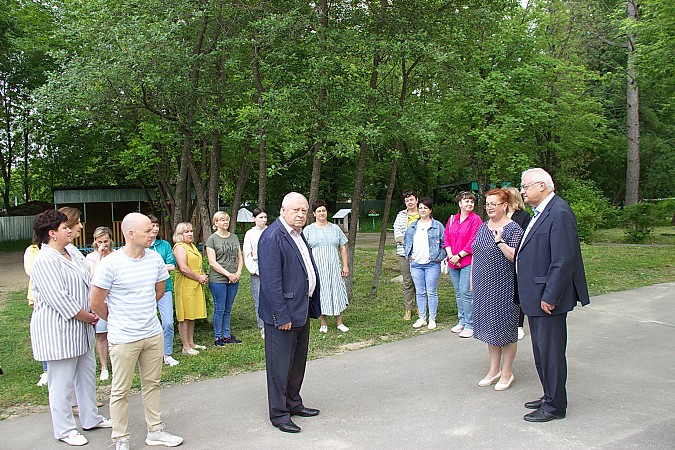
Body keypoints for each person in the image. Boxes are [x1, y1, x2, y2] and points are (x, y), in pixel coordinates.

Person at [90, 213, 183, 449]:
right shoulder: (110, 264)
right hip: (124, 338)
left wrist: (143, 310)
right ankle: (120, 438)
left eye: (153, 229)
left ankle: (155, 431)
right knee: (120, 390)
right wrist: (117, 319)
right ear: (130, 234)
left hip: (152, 333)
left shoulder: (154, 260)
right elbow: (96, 302)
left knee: (152, 384)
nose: (152, 233)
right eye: (146, 230)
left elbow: (159, 290)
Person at [30, 209, 111, 446]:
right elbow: (59, 299)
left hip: (83, 328)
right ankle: (65, 429)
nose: (71, 230)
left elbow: (88, 280)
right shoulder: (44, 261)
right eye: (65, 227)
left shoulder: (73, 252)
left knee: (86, 376)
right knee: (61, 383)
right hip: (59, 331)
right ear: (52, 233)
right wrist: (87, 316)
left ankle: (90, 417)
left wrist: (94, 309)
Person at [516, 168, 590, 423]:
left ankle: (555, 406)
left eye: (525, 186)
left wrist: (551, 295)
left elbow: (564, 258)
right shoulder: (541, 213)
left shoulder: (559, 212)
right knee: (541, 351)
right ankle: (550, 394)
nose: (522, 191)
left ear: (542, 186)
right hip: (535, 296)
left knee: (551, 353)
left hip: (547, 299)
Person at [258, 192, 321, 433]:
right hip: (282, 316)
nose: (300, 214)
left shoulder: (298, 234)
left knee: (297, 362)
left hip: (300, 310)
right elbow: (271, 282)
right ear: (283, 210)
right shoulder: (272, 236)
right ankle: (279, 414)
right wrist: (280, 316)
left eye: (304, 211)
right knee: (279, 366)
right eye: (295, 210)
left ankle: (293, 402)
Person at [471, 188, 523, 391]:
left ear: (505, 205)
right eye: (488, 204)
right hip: (484, 287)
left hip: (505, 288)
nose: (490, 207)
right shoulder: (483, 227)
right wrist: (473, 282)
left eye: (494, 203)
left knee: (506, 331)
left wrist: (500, 240)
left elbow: (516, 257)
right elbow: (476, 254)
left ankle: (507, 372)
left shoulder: (513, 229)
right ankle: (494, 370)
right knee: (490, 330)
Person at [303, 200, 350, 333]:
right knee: (320, 293)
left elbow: (342, 248)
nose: (322, 213)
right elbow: (304, 251)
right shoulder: (308, 230)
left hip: (334, 266)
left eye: (323, 210)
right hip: (317, 268)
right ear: (314, 213)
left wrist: (345, 266)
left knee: (337, 291)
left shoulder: (335, 229)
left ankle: (339, 322)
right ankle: (323, 323)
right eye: (319, 211)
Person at [403, 197, 446, 330]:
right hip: (416, 265)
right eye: (420, 207)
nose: (422, 210)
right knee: (420, 292)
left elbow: (445, 244)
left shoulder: (437, 225)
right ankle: (422, 318)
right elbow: (406, 242)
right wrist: (409, 255)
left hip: (432, 264)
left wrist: (439, 257)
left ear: (430, 210)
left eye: (425, 208)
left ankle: (432, 318)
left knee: (431, 291)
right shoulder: (413, 226)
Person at [443, 191, 482, 338]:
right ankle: (462, 320)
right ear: (460, 203)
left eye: (472, 202)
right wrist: (451, 255)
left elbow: (473, 241)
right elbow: (446, 238)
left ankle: (470, 324)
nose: (470, 204)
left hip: (467, 261)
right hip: (453, 261)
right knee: (458, 292)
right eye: (466, 201)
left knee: (465, 292)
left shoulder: (475, 220)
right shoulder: (453, 219)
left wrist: (459, 255)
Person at [206, 211, 244, 346]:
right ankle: (218, 337)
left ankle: (227, 335)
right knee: (220, 308)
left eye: (227, 220)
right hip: (218, 280)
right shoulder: (212, 239)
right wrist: (228, 275)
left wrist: (238, 273)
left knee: (228, 308)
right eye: (222, 220)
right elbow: (212, 262)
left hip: (234, 278)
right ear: (216, 223)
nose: (225, 222)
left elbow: (240, 256)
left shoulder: (233, 237)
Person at [148, 215, 179, 367]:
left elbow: (172, 265)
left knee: (168, 322)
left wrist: (153, 268)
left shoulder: (164, 245)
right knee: (149, 323)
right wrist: (160, 267)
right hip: (146, 290)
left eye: (156, 226)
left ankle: (167, 354)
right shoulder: (142, 245)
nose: (155, 229)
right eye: (151, 226)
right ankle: (151, 355)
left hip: (164, 288)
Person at [172, 222, 208, 355]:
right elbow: (183, 267)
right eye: (187, 232)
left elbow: (198, 263)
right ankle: (185, 347)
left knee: (192, 314)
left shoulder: (192, 246)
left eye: (191, 231)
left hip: (195, 283)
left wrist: (203, 275)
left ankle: (191, 342)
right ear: (180, 234)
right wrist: (198, 277)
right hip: (186, 284)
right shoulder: (179, 247)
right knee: (185, 315)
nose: (190, 234)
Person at [85, 226, 115, 381]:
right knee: (101, 334)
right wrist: (100, 258)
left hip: (114, 300)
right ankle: (104, 366)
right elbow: (91, 278)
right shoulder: (90, 258)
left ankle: (115, 363)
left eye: (106, 241)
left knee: (115, 334)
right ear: (95, 242)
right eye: (100, 241)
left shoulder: (116, 256)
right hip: (100, 301)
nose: (103, 244)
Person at [505, 186, 531, 340]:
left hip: (516, 257)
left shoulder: (523, 215)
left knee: (517, 292)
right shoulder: (501, 214)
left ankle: (519, 325)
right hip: (502, 258)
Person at [24, 238, 49, 387]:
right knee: (43, 334)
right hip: (38, 298)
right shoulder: (32, 250)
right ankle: (46, 370)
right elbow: (30, 270)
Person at [393, 190, 420, 321]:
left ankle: (420, 307)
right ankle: (408, 309)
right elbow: (397, 231)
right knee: (408, 282)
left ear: (416, 200)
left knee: (420, 282)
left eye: (411, 199)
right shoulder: (401, 215)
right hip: (404, 253)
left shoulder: (423, 212)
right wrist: (406, 242)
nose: (409, 202)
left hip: (421, 253)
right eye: (407, 200)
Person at [242, 207, 268, 338]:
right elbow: (247, 254)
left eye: (265, 217)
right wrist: (256, 270)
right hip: (257, 266)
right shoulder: (250, 234)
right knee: (259, 297)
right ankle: (262, 326)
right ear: (254, 219)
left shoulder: (271, 231)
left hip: (270, 266)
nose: (263, 220)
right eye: (261, 218)